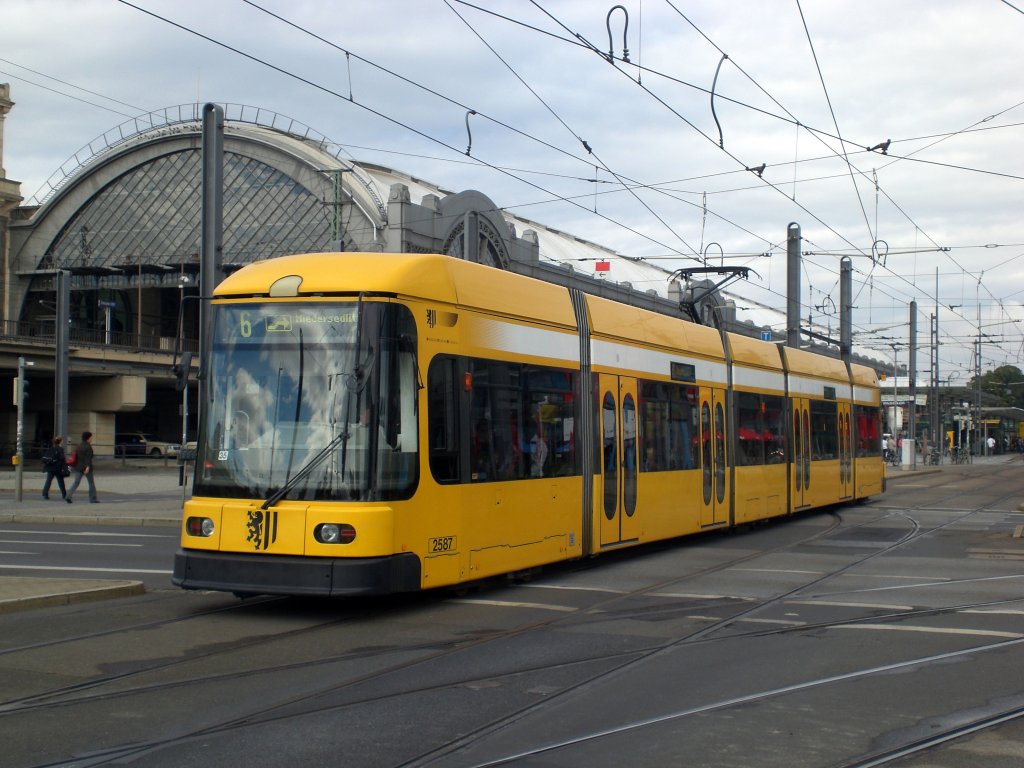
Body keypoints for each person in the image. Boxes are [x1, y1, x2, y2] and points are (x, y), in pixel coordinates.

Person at [66, 431, 99, 503]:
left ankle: (69, 495)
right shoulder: (88, 447)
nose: (91, 439)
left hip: (78, 467)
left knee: (76, 482)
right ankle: (93, 498)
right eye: (91, 437)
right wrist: (87, 467)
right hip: (86, 468)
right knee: (91, 483)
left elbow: (76, 456)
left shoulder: (79, 446)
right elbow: (88, 458)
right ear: (88, 438)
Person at [41, 436, 69, 500]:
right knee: (60, 481)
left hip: (50, 467)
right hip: (57, 467)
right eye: (62, 440)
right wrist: (65, 467)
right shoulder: (60, 449)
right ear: (60, 442)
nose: (63, 441)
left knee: (48, 481)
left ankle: (45, 494)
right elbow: (62, 459)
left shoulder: (51, 448)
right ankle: (64, 494)